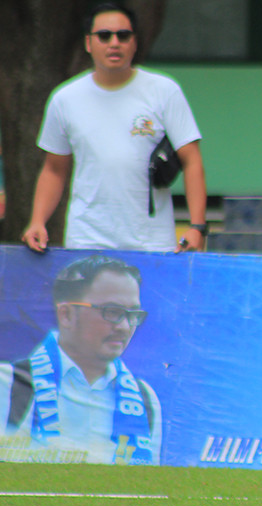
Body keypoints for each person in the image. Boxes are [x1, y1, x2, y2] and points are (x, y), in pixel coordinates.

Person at [22, 2, 207, 253]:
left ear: (135, 42)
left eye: (123, 35)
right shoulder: (65, 99)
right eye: (104, 35)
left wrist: (197, 227)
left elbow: (192, 161)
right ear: (88, 43)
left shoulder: (164, 91)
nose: (114, 43)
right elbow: (54, 169)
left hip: (151, 242)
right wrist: (37, 221)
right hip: (87, 239)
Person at [0, 255, 162, 465]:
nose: (124, 327)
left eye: (133, 314)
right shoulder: (8, 384)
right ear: (66, 314)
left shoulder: (145, 399)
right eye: (112, 312)